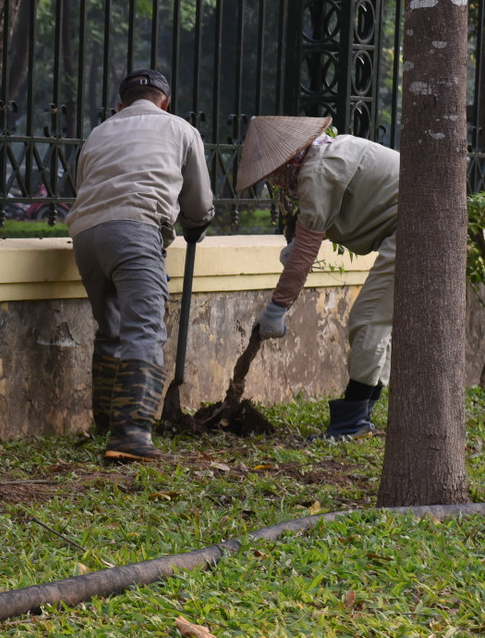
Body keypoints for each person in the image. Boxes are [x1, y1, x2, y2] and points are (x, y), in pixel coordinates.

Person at [66, 69, 214, 461]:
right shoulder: (181, 128)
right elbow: (198, 204)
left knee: (111, 329)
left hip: (85, 236)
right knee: (145, 330)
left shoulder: (98, 132)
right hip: (135, 230)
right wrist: (197, 225)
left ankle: (106, 423)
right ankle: (131, 433)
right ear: (165, 101)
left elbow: (84, 185)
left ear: (121, 105)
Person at [237, 115, 398, 439]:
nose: (274, 181)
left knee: (367, 320)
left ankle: (352, 422)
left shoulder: (317, 171)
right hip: (406, 227)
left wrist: (276, 309)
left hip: (415, 229)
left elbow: (306, 252)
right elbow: (345, 205)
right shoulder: (332, 150)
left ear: (285, 162)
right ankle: (361, 415)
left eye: (272, 173)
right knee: (376, 323)